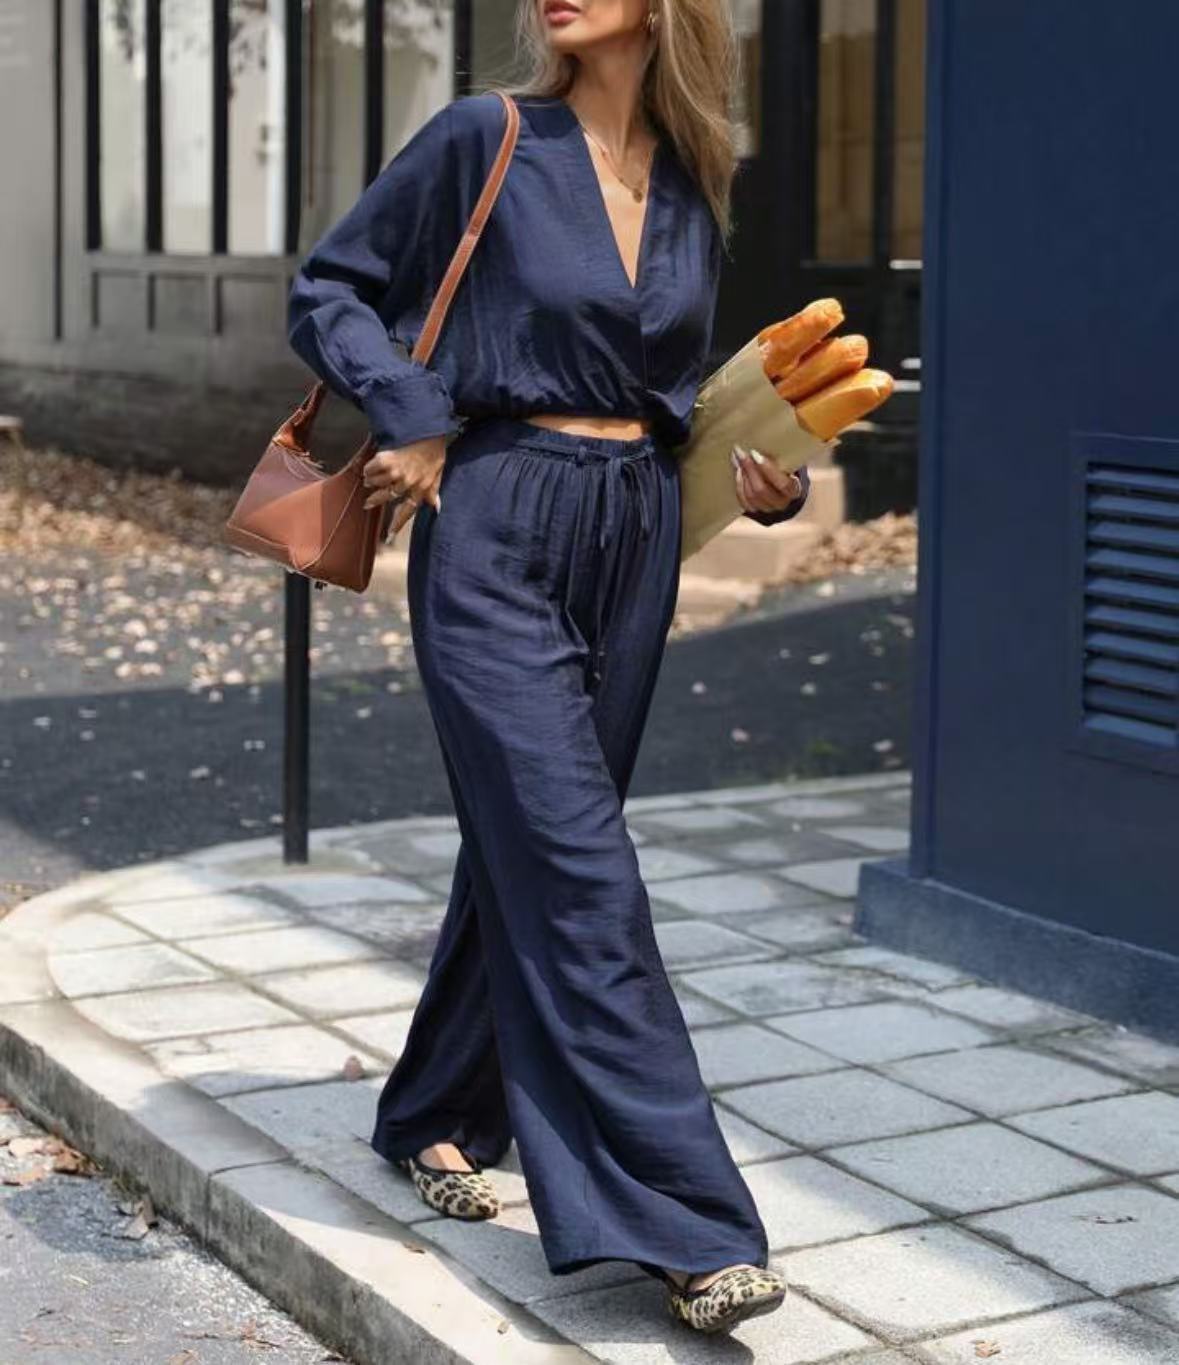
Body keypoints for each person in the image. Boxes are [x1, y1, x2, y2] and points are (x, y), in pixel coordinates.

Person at [286, 0, 809, 1336]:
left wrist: (767, 481)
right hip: (500, 526)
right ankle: (686, 1223)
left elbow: (673, 386)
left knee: (532, 842)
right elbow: (330, 289)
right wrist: (411, 413)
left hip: (634, 532)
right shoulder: (489, 137)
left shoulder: (696, 185)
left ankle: (431, 1111)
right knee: (578, 862)